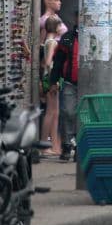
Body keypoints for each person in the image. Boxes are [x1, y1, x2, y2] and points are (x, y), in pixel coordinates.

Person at [50, 14, 79, 162]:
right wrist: (53, 81)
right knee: (67, 112)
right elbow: (58, 61)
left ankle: (80, 147)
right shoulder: (67, 37)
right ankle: (67, 145)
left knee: (84, 116)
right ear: (77, 18)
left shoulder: (97, 36)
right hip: (69, 83)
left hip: (90, 84)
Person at [40, 15, 63, 157]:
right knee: (51, 112)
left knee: (54, 112)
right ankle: (44, 145)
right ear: (55, 27)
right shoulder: (53, 42)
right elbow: (48, 62)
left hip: (48, 78)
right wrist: (53, 80)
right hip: (51, 79)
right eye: (60, 25)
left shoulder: (47, 41)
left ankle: (54, 145)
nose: (62, 28)